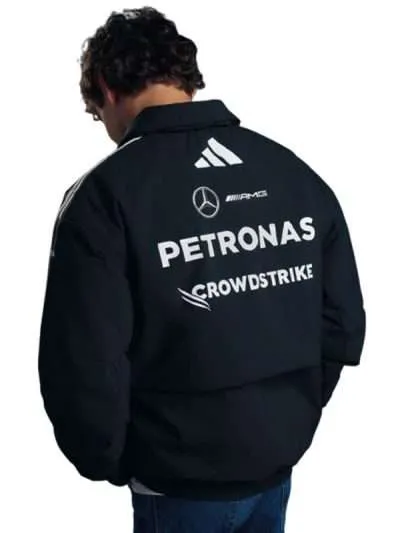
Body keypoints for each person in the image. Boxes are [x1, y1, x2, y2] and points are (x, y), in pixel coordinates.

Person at [38, 7, 366, 532]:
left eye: (99, 116)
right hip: (275, 466)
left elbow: (83, 362)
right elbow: (343, 324)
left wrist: (109, 460)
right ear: (185, 79)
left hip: (175, 480)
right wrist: (285, 415)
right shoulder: (293, 174)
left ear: (106, 89)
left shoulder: (103, 197)